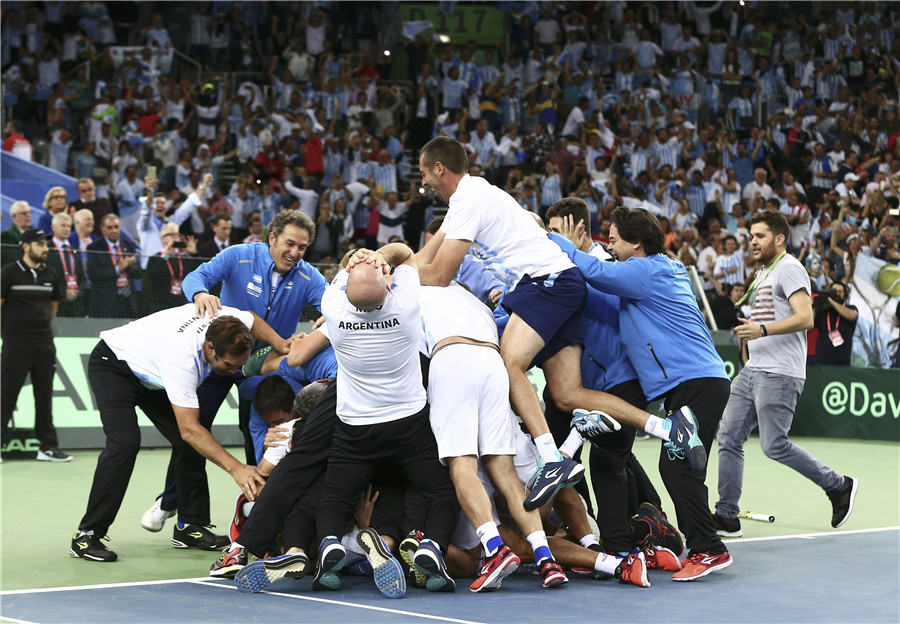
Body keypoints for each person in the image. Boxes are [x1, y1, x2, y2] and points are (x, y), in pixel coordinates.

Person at [415, 137, 704, 513]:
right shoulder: (470, 197)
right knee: (567, 394)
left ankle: (551, 458)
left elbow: (437, 275)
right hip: (562, 284)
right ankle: (668, 429)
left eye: (424, 173)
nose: (423, 183)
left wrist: (393, 286)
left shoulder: (468, 200)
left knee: (510, 363)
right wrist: (389, 268)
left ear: (440, 168)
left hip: (546, 281)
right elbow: (422, 258)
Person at [548, 206, 733, 581]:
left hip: (696, 381)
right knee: (678, 467)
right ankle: (663, 538)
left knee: (678, 467)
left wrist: (559, 243)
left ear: (636, 243)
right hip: (693, 382)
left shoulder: (645, 270)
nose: (609, 243)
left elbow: (597, 271)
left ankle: (709, 549)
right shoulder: (654, 268)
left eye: (615, 237)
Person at [141, 210, 327, 532]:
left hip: (264, 366)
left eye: (302, 247)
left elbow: (335, 305)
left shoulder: (308, 276)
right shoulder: (239, 256)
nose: (295, 253)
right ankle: (171, 501)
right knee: (195, 431)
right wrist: (201, 293)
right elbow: (195, 277)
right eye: (289, 244)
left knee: (257, 430)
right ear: (271, 238)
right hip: (221, 358)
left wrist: (323, 321)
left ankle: (259, 507)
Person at [70, 306, 276, 562]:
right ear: (210, 348)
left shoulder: (224, 322)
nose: (235, 372)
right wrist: (237, 468)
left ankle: (190, 527)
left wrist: (282, 344)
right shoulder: (182, 361)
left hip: (152, 372)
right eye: (229, 365)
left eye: (240, 366)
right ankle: (86, 535)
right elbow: (189, 430)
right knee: (125, 443)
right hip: (113, 364)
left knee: (192, 442)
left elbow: (252, 318)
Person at [311, 244, 459, 598]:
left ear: (346, 288)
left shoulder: (331, 308)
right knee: (441, 491)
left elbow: (345, 269)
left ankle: (330, 544)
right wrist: (378, 255)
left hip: (355, 429)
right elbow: (407, 255)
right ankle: (432, 547)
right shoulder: (405, 304)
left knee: (334, 497)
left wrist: (357, 258)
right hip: (408, 425)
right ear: (387, 286)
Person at [715, 210, 858, 537]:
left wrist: (762, 330)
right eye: (751, 235)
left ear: (779, 239)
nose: (752, 241)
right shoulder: (764, 273)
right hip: (753, 370)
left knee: (774, 444)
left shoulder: (790, 268)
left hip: (780, 373)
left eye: (760, 236)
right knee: (728, 437)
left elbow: (806, 318)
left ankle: (838, 486)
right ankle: (726, 515)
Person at [418, 280, 569, 590]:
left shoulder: (414, 285)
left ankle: (495, 550)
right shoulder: (475, 303)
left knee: (462, 467)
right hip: (492, 363)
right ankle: (545, 558)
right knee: (506, 474)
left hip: (452, 357)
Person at [1, 228, 71, 462]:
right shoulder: (9, 272)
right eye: (40, 244)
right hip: (15, 343)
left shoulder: (50, 274)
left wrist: (41, 329)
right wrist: (7, 335)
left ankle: (48, 447)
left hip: (44, 343)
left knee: (44, 397)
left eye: (46, 244)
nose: (45, 248)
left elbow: (53, 307)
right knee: (6, 395)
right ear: (26, 246)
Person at [86, 214, 141, 318]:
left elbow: (138, 274)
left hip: (128, 300)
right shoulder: (95, 247)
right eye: (109, 228)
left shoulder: (129, 245)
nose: (114, 231)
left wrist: (131, 265)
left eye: (116, 227)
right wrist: (118, 269)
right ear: (103, 230)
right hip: (106, 302)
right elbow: (93, 274)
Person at [810, 281, 858, 365]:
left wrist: (831, 302)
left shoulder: (850, 308)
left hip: (842, 361)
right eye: (834, 291)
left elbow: (852, 316)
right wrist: (815, 307)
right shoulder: (824, 310)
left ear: (845, 294)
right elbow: (809, 327)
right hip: (821, 360)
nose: (837, 294)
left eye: (840, 292)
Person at [1, 200, 32, 267]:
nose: (28, 215)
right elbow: (13, 259)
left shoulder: (36, 232)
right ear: (14, 216)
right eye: (24, 213)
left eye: (30, 212)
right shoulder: (7, 235)